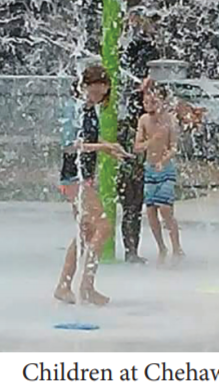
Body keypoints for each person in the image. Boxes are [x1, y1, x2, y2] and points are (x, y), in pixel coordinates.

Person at [54, 64, 133, 305]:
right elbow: (70, 145)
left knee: (85, 232)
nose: (98, 96)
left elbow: (88, 138)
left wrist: (110, 147)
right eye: (94, 91)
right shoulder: (74, 108)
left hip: (83, 178)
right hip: (72, 178)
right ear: (84, 86)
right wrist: (106, 147)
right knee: (104, 226)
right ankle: (86, 286)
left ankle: (64, 285)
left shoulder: (90, 110)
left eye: (102, 93)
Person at [118, 12, 159, 264]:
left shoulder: (144, 111)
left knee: (134, 208)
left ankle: (132, 250)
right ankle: (130, 250)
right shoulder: (129, 111)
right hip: (129, 162)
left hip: (139, 162)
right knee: (131, 207)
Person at [135, 83, 183, 265]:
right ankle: (161, 247)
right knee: (150, 210)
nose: (149, 104)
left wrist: (164, 160)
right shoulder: (143, 120)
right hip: (150, 168)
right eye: (146, 101)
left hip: (166, 169)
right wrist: (150, 142)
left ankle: (176, 246)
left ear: (162, 101)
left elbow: (174, 147)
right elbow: (137, 147)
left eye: (153, 101)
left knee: (165, 209)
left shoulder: (170, 119)